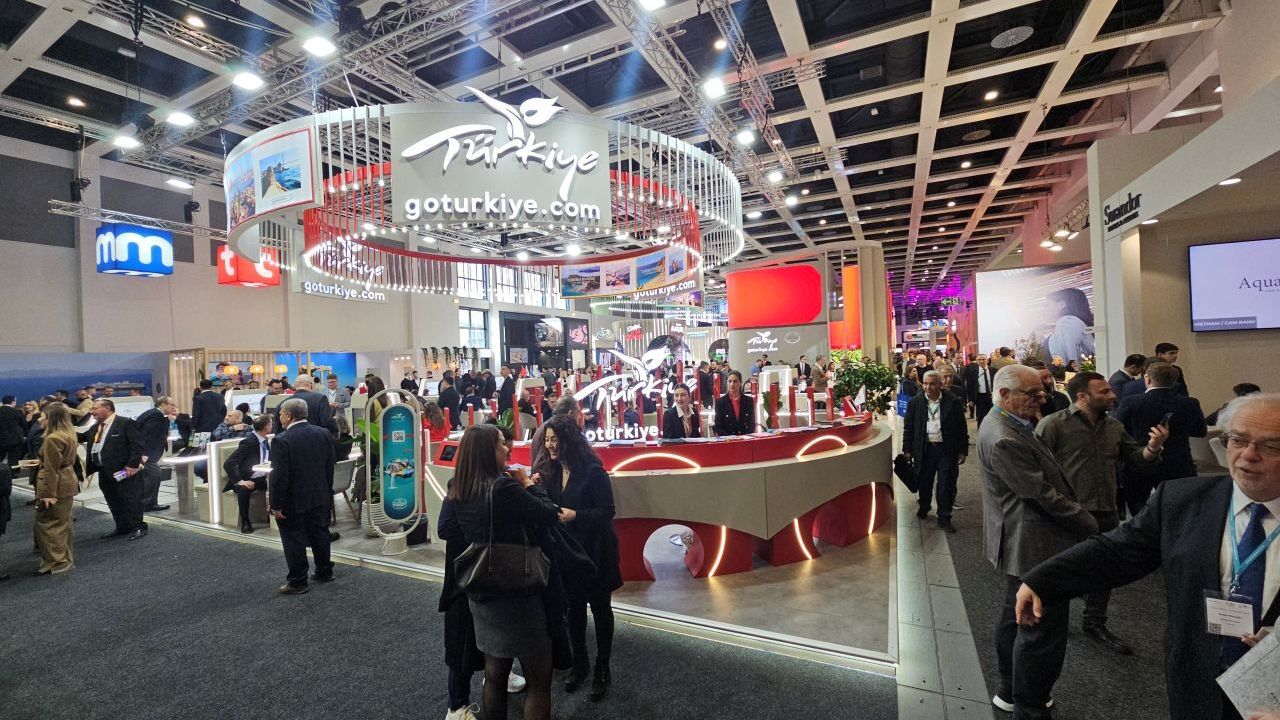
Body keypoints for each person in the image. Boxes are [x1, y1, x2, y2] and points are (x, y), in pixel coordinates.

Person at [1016, 393, 1280, 720]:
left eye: (1271, 446)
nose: (1248, 455)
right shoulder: (1182, 500)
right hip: (1197, 678)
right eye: (1237, 440)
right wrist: (1042, 580)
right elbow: (1119, 550)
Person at [977, 365, 1098, 717]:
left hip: (1024, 539)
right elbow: (1040, 494)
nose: (1041, 399)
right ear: (1004, 395)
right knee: (1041, 630)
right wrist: (1087, 521)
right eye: (1031, 394)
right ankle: (1028, 702)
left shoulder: (1008, 423)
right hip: (1033, 542)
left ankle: (1010, 690)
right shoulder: (1004, 436)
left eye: (1041, 392)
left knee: (1014, 617)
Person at [1034, 372, 1168, 655]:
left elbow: (1137, 459)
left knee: (1104, 571)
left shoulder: (1114, 426)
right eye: (1104, 392)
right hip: (1068, 513)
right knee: (1060, 569)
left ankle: (1094, 622)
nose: (1113, 395)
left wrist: (1153, 448)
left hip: (1106, 510)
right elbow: (1037, 471)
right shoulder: (1053, 425)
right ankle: (1051, 621)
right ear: (1082, 397)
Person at [450, 424, 559, 720]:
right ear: (488, 451)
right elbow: (550, 513)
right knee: (539, 678)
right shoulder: (504, 489)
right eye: (501, 444)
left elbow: (447, 529)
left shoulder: (458, 487)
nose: (507, 448)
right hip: (517, 589)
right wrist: (528, 483)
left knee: (495, 673)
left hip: (481, 590)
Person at [531, 416, 621, 700]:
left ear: (568, 441)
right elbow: (549, 506)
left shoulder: (593, 471)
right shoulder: (553, 472)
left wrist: (576, 515)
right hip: (568, 552)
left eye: (554, 440)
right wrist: (534, 487)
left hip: (596, 552)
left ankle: (602, 668)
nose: (549, 445)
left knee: (601, 609)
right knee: (574, 610)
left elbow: (607, 511)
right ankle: (580, 663)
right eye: (547, 440)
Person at [1113, 361, 1208, 515]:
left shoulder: (1132, 402)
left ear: (1147, 379)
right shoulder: (1189, 403)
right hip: (1178, 462)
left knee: (1139, 511)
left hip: (1140, 461)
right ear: (1174, 381)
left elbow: (1118, 429)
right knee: (1179, 511)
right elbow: (1200, 431)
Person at [268, 398, 337, 594]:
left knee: (293, 538)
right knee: (320, 533)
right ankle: (324, 570)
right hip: (320, 494)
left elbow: (279, 476)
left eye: (281, 414)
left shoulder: (281, 440)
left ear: (289, 416)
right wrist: (327, 491)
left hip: (293, 499)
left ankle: (298, 581)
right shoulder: (323, 433)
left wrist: (276, 504)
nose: (279, 417)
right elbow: (330, 466)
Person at [903, 371, 969, 532]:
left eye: (932, 384)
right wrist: (907, 449)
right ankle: (924, 505)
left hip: (946, 449)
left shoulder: (953, 402)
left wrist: (963, 450)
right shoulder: (915, 402)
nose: (928, 387)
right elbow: (909, 428)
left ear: (940, 384)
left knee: (946, 484)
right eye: (925, 383)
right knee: (924, 482)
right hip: (924, 449)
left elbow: (961, 428)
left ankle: (944, 517)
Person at [79, 399, 148, 541]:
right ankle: (122, 527)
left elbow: (137, 445)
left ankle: (139, 527)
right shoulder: (95, 428)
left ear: (107, 408)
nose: (91, 412)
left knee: (131, 499)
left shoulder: (125, 423)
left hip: (124, 471)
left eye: (94, 408)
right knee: (113, 500)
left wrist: (132, 465)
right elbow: (80, 437)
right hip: (104, 471)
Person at [33, 402, 79, 575]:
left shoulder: (53, 438)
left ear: (51, 418)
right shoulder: (68, 434)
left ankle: (57, 562)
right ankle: (63, 560)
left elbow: (52, 469)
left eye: (43, 416)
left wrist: (49, 494)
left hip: (56, 486)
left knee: (50, 525)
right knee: (62, 523)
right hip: (67, 482)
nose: (40, 419)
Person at [223, 414, 274, 534]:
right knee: (244, 489)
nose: (272, 426)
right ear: (266, 427)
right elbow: (229, 463)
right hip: (247, 478)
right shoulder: (249, 442)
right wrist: (240, 481)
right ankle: (245, 521)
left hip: (262, 477)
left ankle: (271, 514)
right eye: (271, 424)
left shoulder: (264, 439)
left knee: (278, 484)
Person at [135, 396, 178, 513]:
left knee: (148, 477)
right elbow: (147, 436)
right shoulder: (156, 415)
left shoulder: (156, 414)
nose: (174, 407)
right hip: (146, 454)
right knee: (154, 476)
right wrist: (144, 454)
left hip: (145, 453)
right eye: (172, 405)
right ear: (163, 405)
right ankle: (148, 504)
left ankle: (145, 503)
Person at [1043, 287, 1094, 366]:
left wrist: (1071, 373)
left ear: (1062, 304)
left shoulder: (1067, 322)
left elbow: (1072, 359)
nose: (1044, 309)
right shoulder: (1074, 323)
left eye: (1047, 305)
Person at [714, 371, 755, 436]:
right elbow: (718, 426)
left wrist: (745, 437)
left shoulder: (749, 401)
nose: (732, 384)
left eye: (735, 381)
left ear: (740, 383)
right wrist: (730, 439)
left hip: (745, 439)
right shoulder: (720, 402)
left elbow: (751, 424)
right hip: (727, 439)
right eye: (729, 381)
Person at [965, 355, 995, 429]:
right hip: (980, 397)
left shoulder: (993, 370)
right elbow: (969, 386)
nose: (981, 361)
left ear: (987, 360)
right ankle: (981, 431)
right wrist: (970, 399)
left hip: (992, 396)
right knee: (981, 416)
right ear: (976, 361)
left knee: (993, 416)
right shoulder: (973, 372)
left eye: (983, 359)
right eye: (979, 360)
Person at [0, 395, 27, 470]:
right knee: (13, 459)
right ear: (12, 402)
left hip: (1, 439)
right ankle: (12, 473)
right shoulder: (17, 412)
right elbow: (24, 425)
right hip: (15, 439)